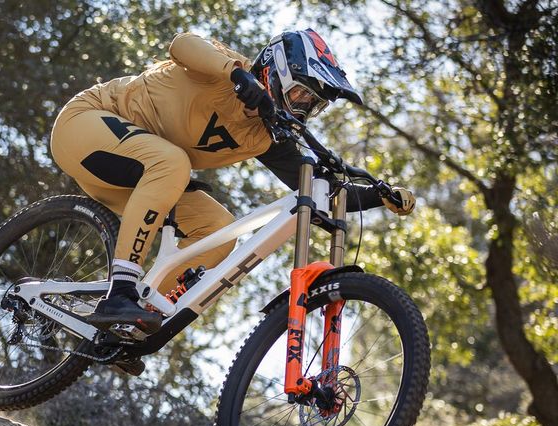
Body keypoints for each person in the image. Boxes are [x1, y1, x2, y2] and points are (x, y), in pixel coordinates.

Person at [49, 29, 416, 333]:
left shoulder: (265, 136)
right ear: (279, 71)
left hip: (140, 177)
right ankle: (121, 291)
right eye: (302, 94)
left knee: (220, 231)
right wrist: (236, 74)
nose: (303, 108)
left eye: (313, 104)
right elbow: (181, 44)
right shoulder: (228, 69)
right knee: (174, 163)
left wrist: (378, 197)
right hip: (87, 124)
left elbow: (321, 192)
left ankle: (122, 327)